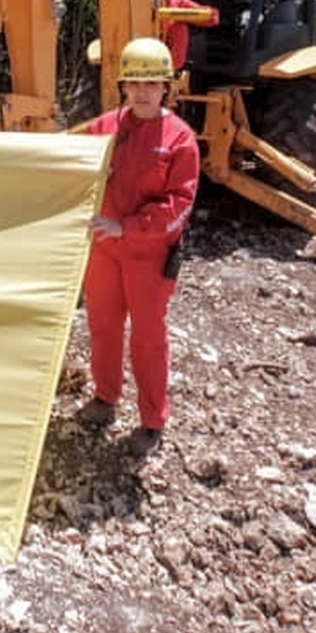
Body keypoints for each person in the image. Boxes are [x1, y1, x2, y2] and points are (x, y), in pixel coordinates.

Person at [77, 37, 201, 457]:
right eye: (134, 83)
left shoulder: (180, 140)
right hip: (104, 250)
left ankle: (152, 420)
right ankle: (105, 398)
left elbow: (179, 205)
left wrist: (126, 226)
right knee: (102, 326)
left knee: (147, 338)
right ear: (123, 86)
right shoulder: (104, 128)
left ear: (167, 87)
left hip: (149, 255)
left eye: (152, 84)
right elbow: (71, 165)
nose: (143, 92)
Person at [160, 0, 219, 71]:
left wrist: (189, 15)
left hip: (168, 65)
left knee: (180, 25)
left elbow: (212, 17)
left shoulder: (178, 1)